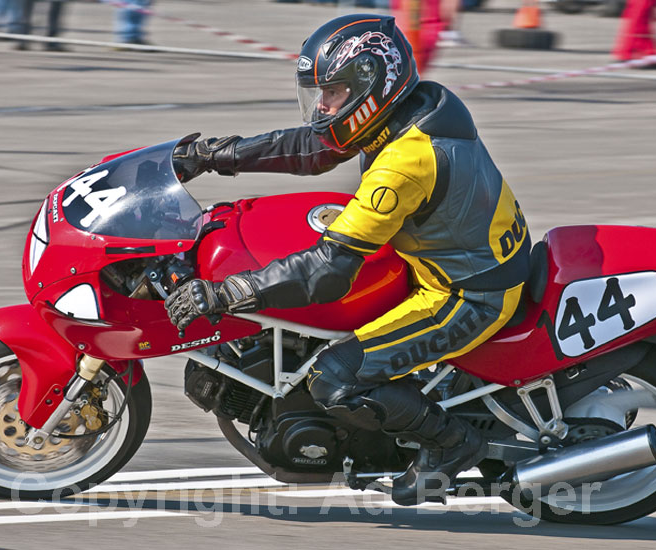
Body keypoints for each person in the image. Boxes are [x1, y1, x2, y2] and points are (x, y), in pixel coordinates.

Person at [165, 13, 531, 506]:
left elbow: (329, 271)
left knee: (333, 375)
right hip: (449, 257)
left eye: (333, 93)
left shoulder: (407, 163)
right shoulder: (411, 109)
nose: (321, 106)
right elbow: (308, 149)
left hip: (466, 294)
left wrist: (229, 293)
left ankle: (452, 444)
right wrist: (214, 156)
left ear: (369, 87)